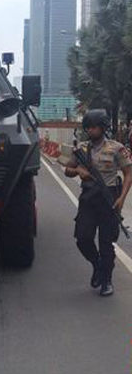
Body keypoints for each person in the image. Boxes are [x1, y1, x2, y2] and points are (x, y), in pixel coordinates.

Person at [65, 109, 132, 297]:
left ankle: (106, 281)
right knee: (83, 239)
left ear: (103, 128)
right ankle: (97, 265)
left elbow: (128, 174)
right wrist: (78, 171)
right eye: (88, 127)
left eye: (93, 127)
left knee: (106, 243)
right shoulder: (81, 149)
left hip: (109, 198)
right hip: (88, 199)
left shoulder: (117, 148)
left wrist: (122, 198)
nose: (90, 130)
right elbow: (67, 170)